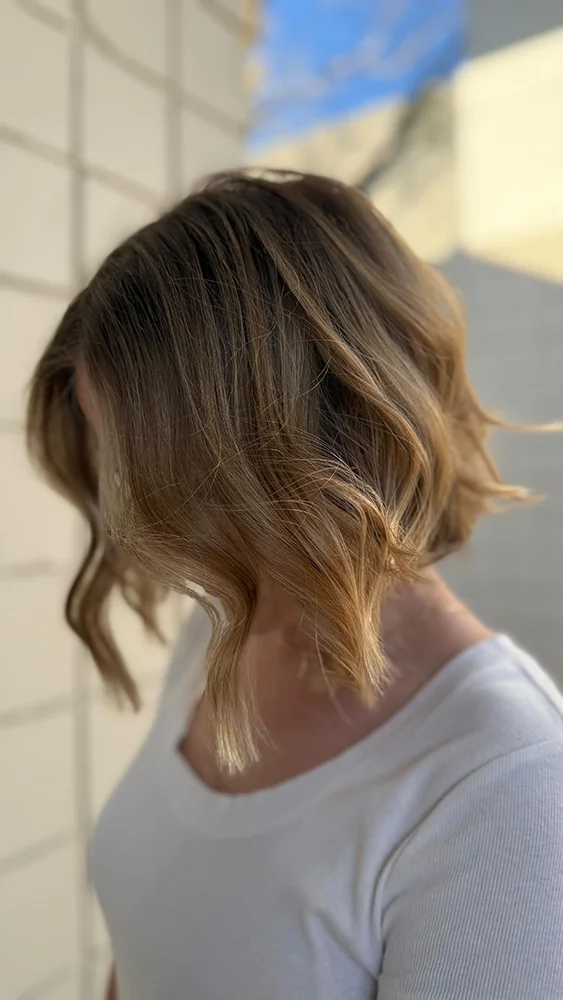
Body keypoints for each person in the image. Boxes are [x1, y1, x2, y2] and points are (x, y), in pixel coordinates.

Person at [27, 171, 563, 1000]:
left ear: (337, 438)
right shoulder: (221, 631)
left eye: (180, 487)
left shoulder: (504, 780)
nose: (153, 543)